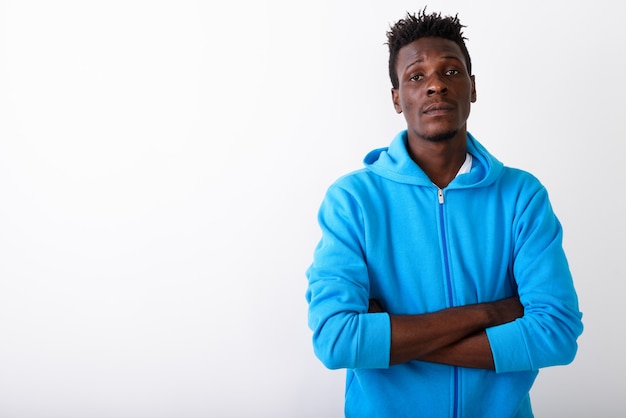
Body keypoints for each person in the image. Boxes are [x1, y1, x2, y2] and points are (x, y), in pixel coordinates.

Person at [305, 9, 583, 418]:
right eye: (416, 76)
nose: (436, 84)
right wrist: (493, 313)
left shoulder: (522, 195)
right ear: (397, 98)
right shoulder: (353, 200)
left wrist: (394, 337)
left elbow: (557, 334)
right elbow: (336, 340)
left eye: (451, 72)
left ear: (472, 88)